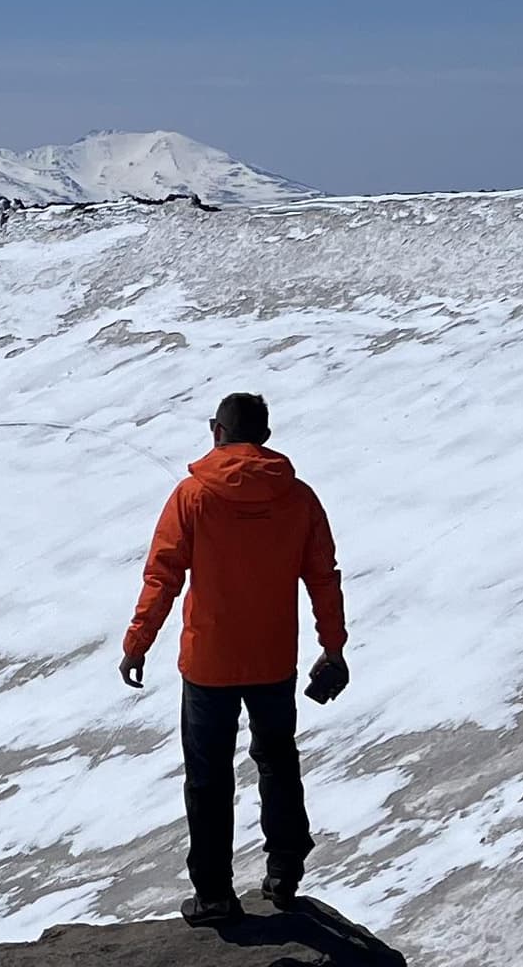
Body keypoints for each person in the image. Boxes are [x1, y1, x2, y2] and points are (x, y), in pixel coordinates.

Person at [116, 391, 349, 922]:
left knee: (208, 777)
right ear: (265, 436)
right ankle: (285, 871)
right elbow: (323, 577)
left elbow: (163, 575)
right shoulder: (299, 497)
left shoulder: (193, 495)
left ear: (216, 431)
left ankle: (215, 894)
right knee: (277, 761)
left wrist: (137, 642)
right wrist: (332, 646)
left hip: (209, 662)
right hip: (272, 660)